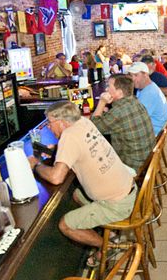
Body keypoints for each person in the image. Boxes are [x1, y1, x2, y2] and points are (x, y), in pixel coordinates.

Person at [28, 101, 137, 267]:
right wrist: (59, 148)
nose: (48, 128)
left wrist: (36, 165)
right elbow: (81, 145)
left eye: (49, 123)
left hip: (117, 204)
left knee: (65, 225)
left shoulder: (69, 136)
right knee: (76, 195)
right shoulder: (84, 122)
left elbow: (56, 178)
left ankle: (107, 247)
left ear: (62, 122)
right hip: (128, 189)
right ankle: (110, 235)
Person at [91, 74, 155, 172]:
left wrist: (102, 102)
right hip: (147, 159)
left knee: (92, 164)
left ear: (119, 93)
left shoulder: (119, 112)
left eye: (109, 86)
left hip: (132, 166)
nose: (106, 89)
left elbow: (93, 127)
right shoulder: (135, 101)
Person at [128, 62, 167, 134]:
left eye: (136, 75)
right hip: (152, 127)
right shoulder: (148, 87)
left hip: (151, 132)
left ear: (146, 75)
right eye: (131, 75)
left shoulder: (149, 93)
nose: (133, 79)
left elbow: (136, 121)